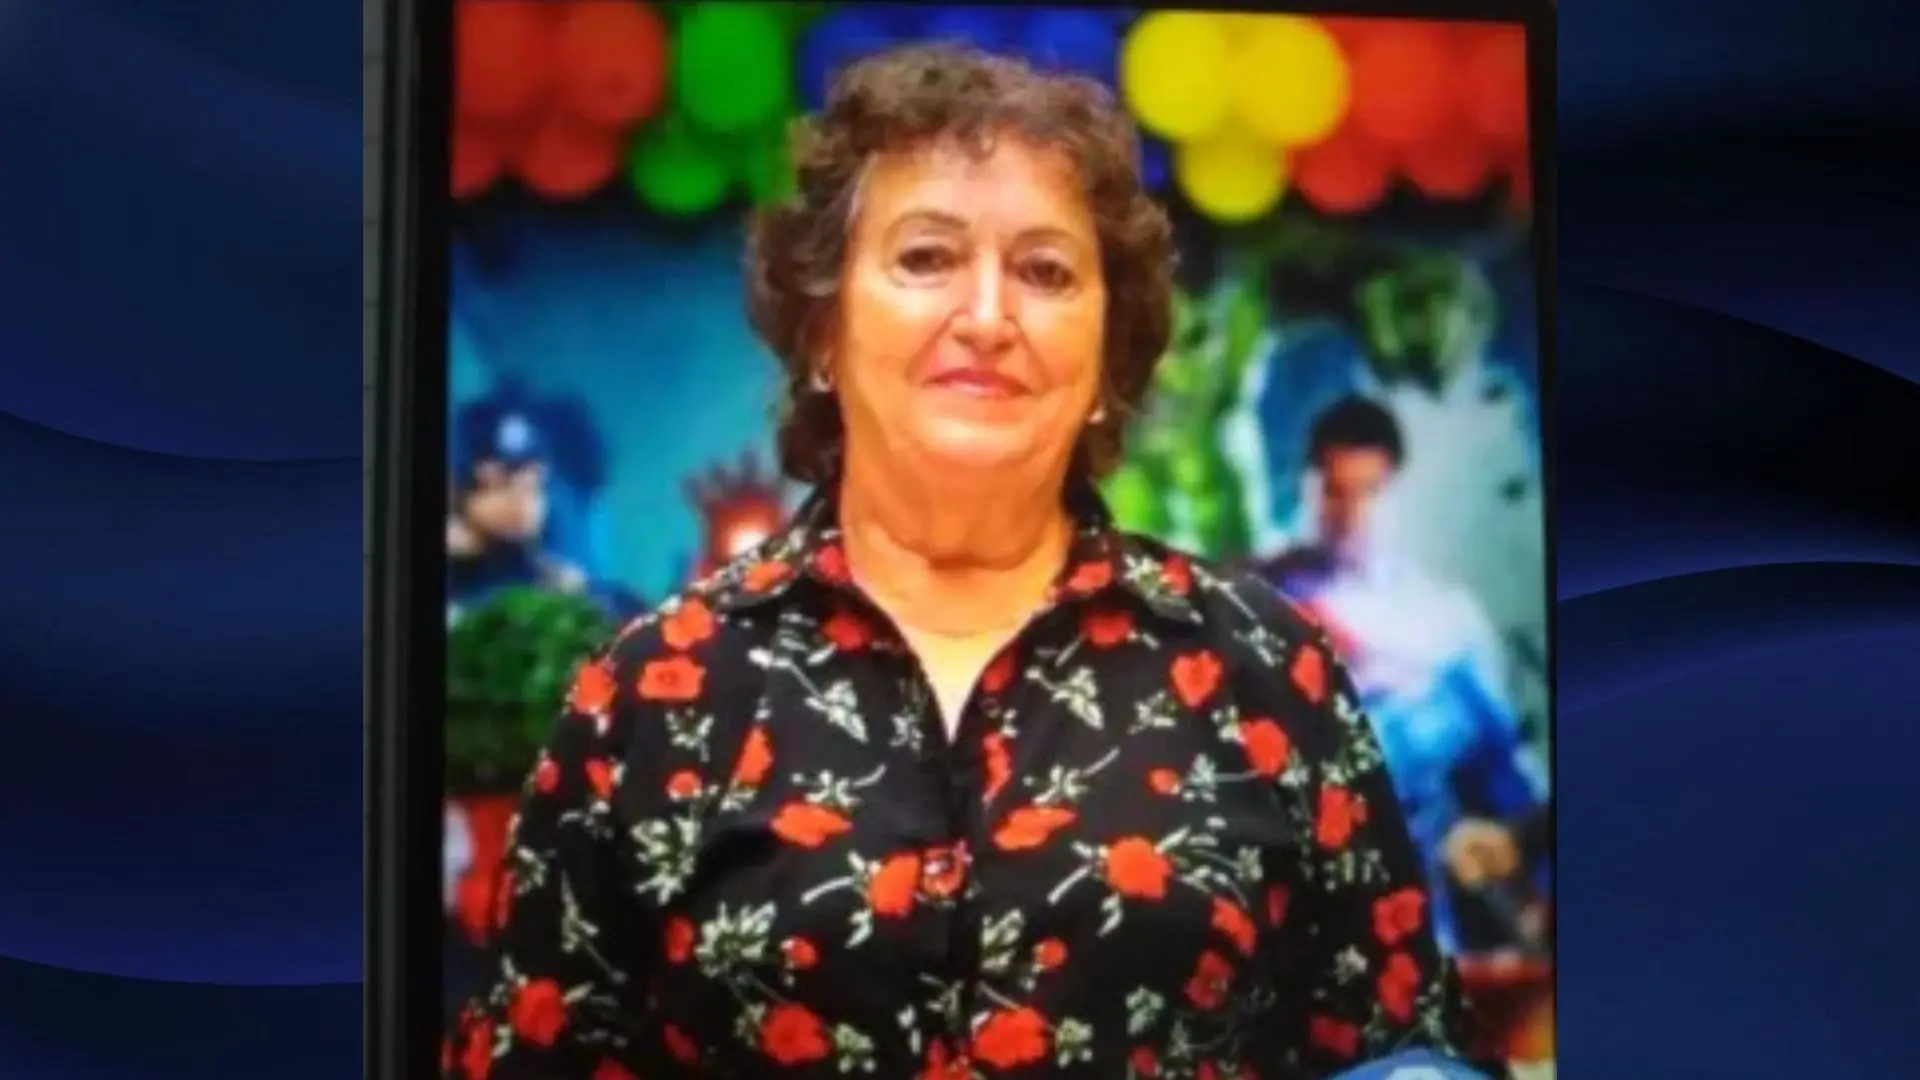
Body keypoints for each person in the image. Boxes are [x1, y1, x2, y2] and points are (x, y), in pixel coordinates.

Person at [445, 46, 1497, 1080]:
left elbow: (1405, 1049)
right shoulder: (652, 692)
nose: (988, 318)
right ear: (823, 331)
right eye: (926, 258)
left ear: (1107, 359)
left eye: (1044, 271)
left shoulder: (1263, 667)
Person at [1255, 397, 1548, 956]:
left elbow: (1502, 758)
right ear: (1309, 487)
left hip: (1443, 837)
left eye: (1370, 492)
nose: (1351, 513)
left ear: (1396, 492)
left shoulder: (1445, 612)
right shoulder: (1267, 597)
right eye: (1335, 491)